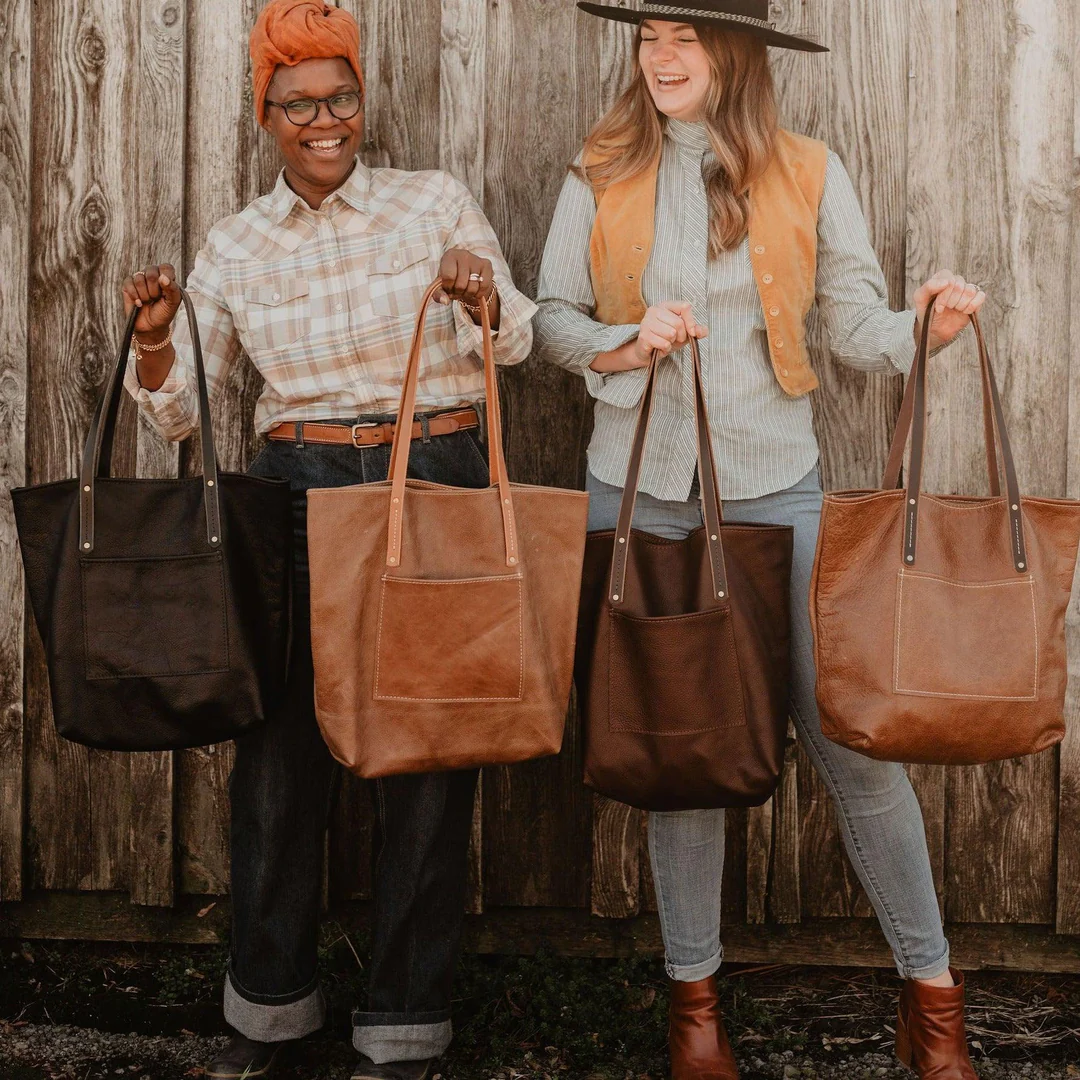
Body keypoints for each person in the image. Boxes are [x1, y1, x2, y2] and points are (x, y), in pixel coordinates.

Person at [533, 2, 984, 1078]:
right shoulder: (598, 168)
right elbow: (548, 314)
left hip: (780, 497)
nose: (663, 56)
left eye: (686, 37)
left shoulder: (810, 170)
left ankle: (934, 1003)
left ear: (735, 55)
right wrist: (622, 340)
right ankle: (694, 1014)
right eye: (649, 37)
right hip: (639, 502)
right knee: (683, 758)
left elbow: (860, 325)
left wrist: (927, 325)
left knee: (853, 748)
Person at [121, 3, 535, 1078]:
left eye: (340, 96)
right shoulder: (237, 245)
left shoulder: (430, 201)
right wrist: (160, 342)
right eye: (298, 102)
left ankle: (406, 1023)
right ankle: (269, 1009)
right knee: (279, 758)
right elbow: (182, 416)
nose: (324, 120)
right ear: (266, 113)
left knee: (429, 754)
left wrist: (483, 296)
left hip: (432, 478)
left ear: (362, 98)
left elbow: (519, 333)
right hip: (295, 487)